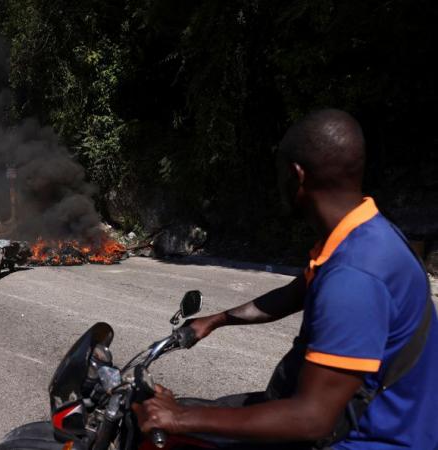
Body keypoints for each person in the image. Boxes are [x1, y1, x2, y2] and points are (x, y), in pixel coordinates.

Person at [134, 109, 438, 449]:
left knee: (180, 431)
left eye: (279, 172)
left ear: (297, 175)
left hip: (361, 439)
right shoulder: (364, 234)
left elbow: (311, 419)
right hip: (346, 419)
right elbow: (295, 294)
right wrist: (215, 321)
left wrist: (177, 416)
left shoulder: (355, 277)